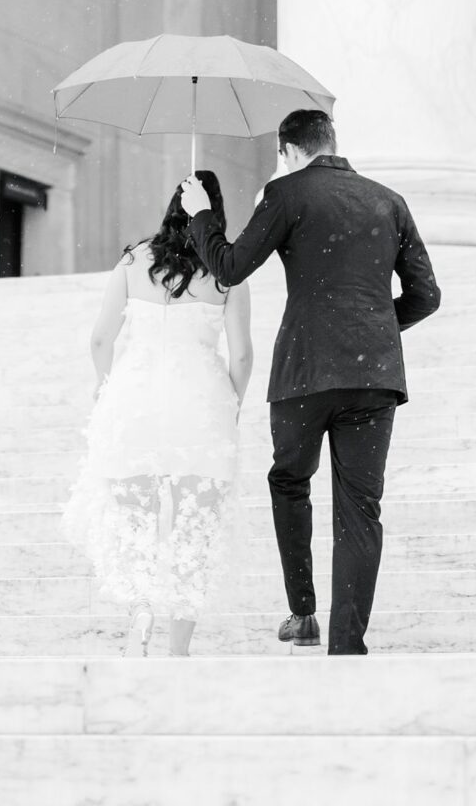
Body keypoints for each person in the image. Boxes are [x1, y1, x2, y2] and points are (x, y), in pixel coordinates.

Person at [180, 110, 440, 657]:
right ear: (331, 144)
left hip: (303, 373)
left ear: (288, 149)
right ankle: (347, 647)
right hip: (373, 375)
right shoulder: (388, 200)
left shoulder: (285, 193)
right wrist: (370, 321)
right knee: (360, 508)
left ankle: (303, 613)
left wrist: (201, 216)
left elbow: (227, 268)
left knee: (290, 481)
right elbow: (427, 295)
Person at [61, 169, 254, 657]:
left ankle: (140, 612)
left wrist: (106, 388)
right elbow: (244, 355)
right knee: (195, 530)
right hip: (201, 406)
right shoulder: (228, 273)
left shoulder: (133, 261)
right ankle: (179, 649)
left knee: (135, 521)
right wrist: (230, 402)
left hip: (135, 402)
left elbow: (100, 339)